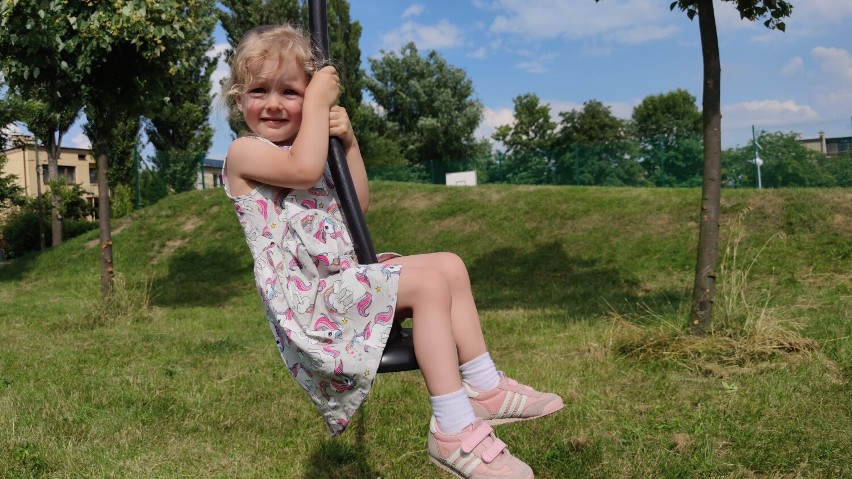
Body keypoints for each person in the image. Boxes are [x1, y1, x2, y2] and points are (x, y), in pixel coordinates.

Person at [222, 24, 563, 479]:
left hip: (342, 280)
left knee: (449, 265)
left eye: (291, 92)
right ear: (238, 97)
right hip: (308, 303)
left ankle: (485, 387)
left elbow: (356, 205)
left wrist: (348, 143)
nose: (274, 103)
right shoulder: (244, 153)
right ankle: (453, 430)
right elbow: (301, 170)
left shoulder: (312, 151)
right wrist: (320, 103)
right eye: (259, 90)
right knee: (426, 284)